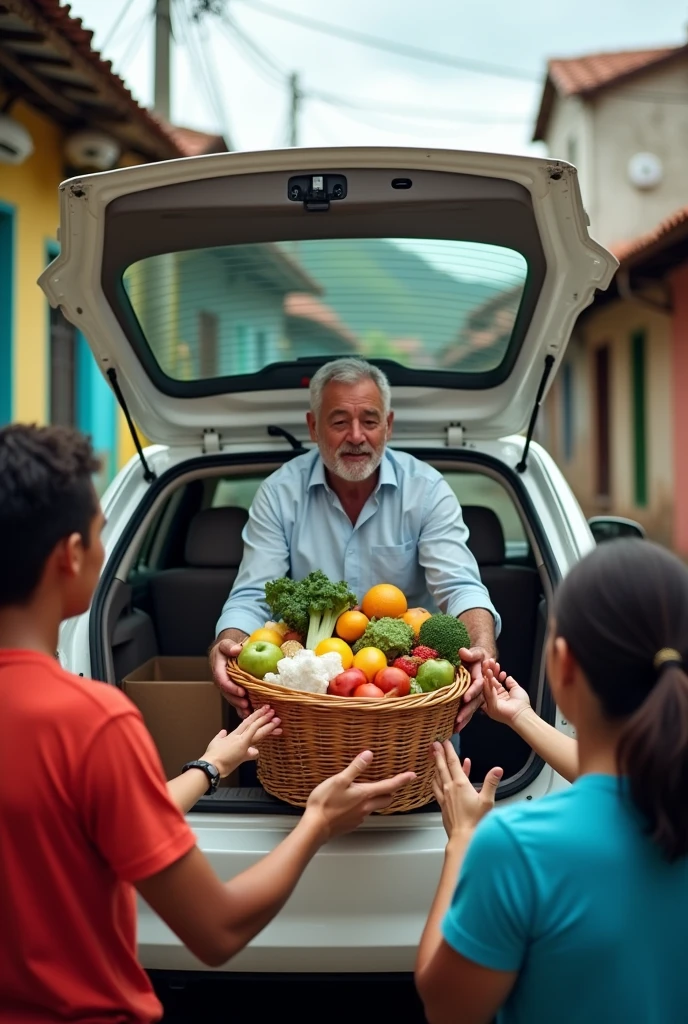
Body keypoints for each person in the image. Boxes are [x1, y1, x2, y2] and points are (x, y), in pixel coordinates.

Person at [0, 423, 414, 1024]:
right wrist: (318, 824)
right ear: (71, 556)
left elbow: (88, 818)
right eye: (98, 535)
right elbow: (216, 931)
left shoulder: (76, 725)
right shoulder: (91, 723)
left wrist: (211, 767)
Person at [414, 538, 688, 1024]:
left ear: (562, 664)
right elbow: (625, 781)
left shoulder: (516, 848)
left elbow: (446, 1008)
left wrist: (462, 839)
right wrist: (521, 718)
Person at [210, 357, 500, 729]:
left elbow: (459, 586)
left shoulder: (426, 490)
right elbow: (252, 594)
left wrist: (482, 650)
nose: (357, 436)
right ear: (314, 427)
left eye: (370, 420)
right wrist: (227, 645)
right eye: (339, 421)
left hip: (411, 697)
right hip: (308, 699)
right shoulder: (279, 493)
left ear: (388, 426)